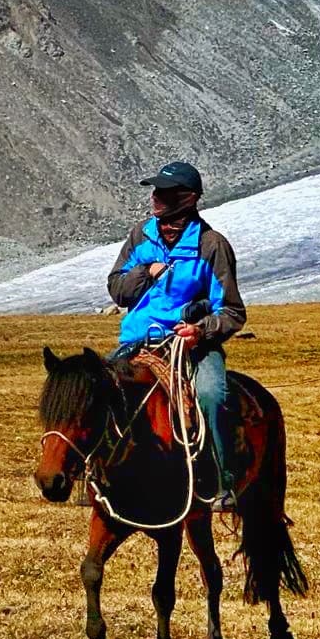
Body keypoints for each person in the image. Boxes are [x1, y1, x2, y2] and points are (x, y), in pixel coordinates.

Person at [106, 161, 246, 506]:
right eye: (156, 191)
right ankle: (98, 479)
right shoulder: (141, 236)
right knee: (94, 391)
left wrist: (200, 331)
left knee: (211, 394)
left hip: (190, 344)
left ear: (188, 198)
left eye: (165, 192)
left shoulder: (211, 245)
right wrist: (145, 272)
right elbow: (118, 290)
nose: (155, 197)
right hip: (137, 340)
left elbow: (232, 312)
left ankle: (223, 482)